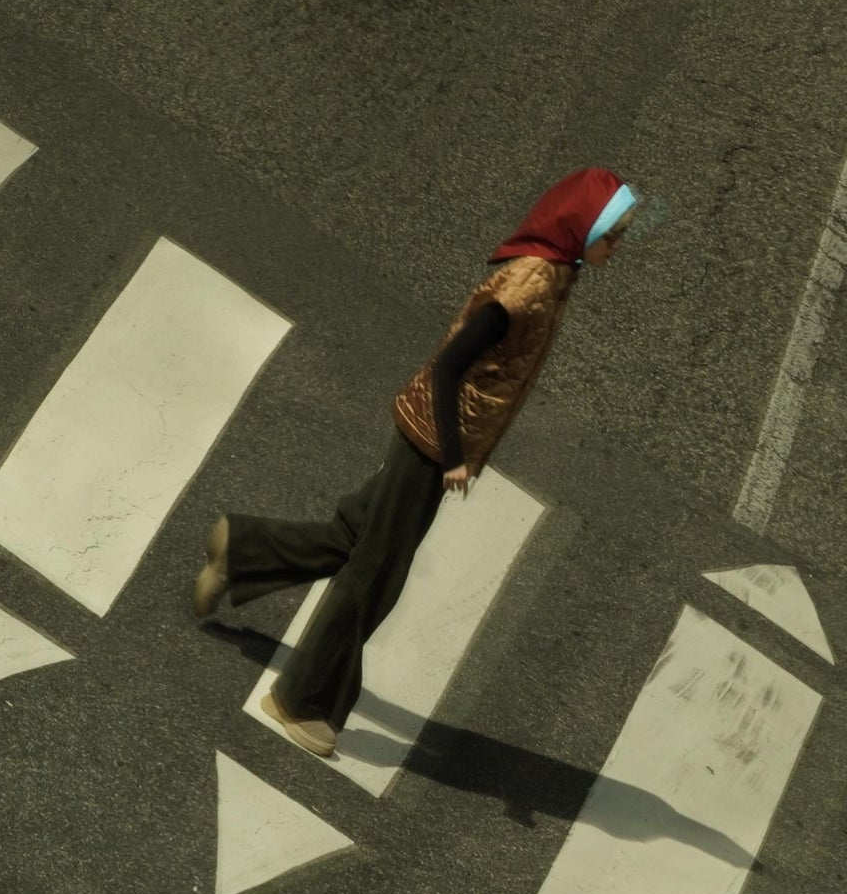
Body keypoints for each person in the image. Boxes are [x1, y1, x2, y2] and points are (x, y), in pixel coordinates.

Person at [192, 166, 642, 757]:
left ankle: (243, 552)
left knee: (356, 536)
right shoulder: (526, 289)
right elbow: (452, 363)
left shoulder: (558, 273)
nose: (619, 247)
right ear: (581, 230)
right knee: (375, 574)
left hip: (435, 435)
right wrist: (454, 457)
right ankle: (299, 700)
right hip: (433, 440)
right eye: (613, 235)